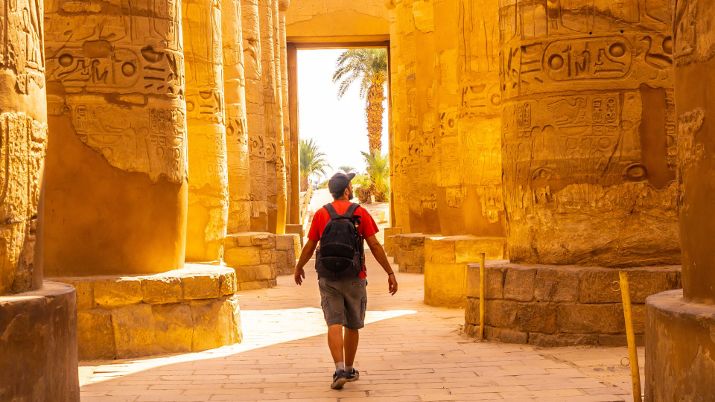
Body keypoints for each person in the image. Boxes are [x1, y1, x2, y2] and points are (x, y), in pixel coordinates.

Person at [294, 172, 398, 390]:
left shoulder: (322, 214)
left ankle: (339, 368)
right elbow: (375, 246)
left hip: (328, 276)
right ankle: (349, 370)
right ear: (346, 191)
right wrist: (389, 272)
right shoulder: (359, 213)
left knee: (334, 322)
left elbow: (310, 245)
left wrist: (299, 266)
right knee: (352, 324)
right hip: (354, 276)